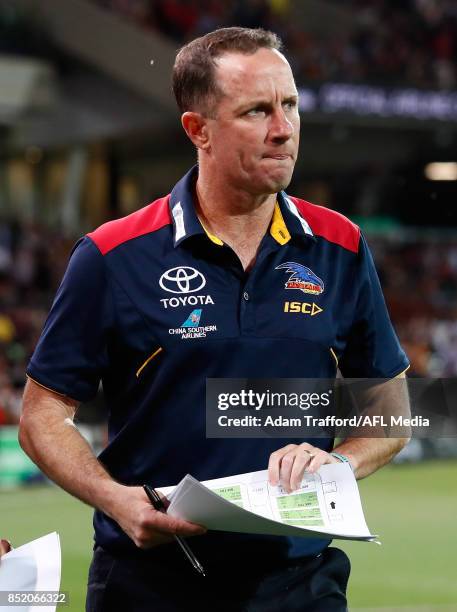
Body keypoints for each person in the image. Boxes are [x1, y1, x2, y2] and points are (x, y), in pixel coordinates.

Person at [19, 27, 410, 611]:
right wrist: (114, 498)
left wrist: (340, 461)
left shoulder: (341, 245)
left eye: (290, 105)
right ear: (198, 130)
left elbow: (391, 412)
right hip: (149, 583)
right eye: (256, 110)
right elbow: (42, 417)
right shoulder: (113, 255)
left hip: (300, 586)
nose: (283, 129)